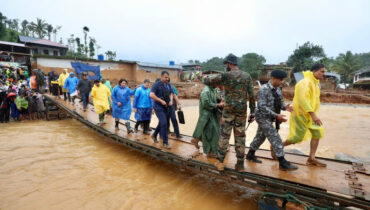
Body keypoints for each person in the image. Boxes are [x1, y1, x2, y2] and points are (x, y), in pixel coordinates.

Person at [203, 54, 256, 172]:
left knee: (224, 136)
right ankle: (240, 165)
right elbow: (252, 96)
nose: (226, 66)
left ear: (229, 64)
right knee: (240, 137)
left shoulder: (225, 75)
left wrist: (208, 77)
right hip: (241, 111)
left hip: (228, 111)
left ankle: (220, 162)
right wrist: (252, 113)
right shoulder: (247, 76)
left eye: (226, 64)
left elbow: (206, 80)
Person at [247, 70, 298, 171]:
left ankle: (250, 154)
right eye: (281, 80)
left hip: (270, 117)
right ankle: (282, 162)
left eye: (283, 80)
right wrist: (276, 116)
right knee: (275, 137)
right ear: (273, 79)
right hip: (262, 117)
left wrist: (285, 107)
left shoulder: (278, 89)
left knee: (260, 136)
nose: (282, 82)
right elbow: (261, 107)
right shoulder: (263, 90)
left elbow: (280, 102)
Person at [282, 63, 327, 167]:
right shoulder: (305, 82)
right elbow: (303, 100)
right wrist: (313, 115)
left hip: (310, 115)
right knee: (297, 138)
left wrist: (313, 114)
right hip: (301, 114)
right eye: (322, 71)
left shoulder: (315, 83)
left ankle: (312, 158)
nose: (324, 74)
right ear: (314, 71)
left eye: (324, 71)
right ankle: (276, 146)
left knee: (318, 132)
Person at [192, 83, 224, 157]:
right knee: (211, 133)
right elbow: (206, 104)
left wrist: (220, 100)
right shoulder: (206, 91)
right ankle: (210, 152)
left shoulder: (214, 89)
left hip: (213, 114)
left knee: (213, 132)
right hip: (207, 115)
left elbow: (215, 98)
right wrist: (218, 105)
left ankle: (196, 139)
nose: (218, 85)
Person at [150, 71, 174, 149]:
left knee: (161, 122)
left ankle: (154, 135)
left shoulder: (168, 85)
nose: (167, 79)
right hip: (158, 107)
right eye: (165, 77)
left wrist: (171, 100)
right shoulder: (156, 85)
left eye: (168, 77)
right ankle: (165, 142)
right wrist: (160, 101)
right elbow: (151, 95)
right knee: (164, 123)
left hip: (166, 107)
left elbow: (171, 93)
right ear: (161, 77)